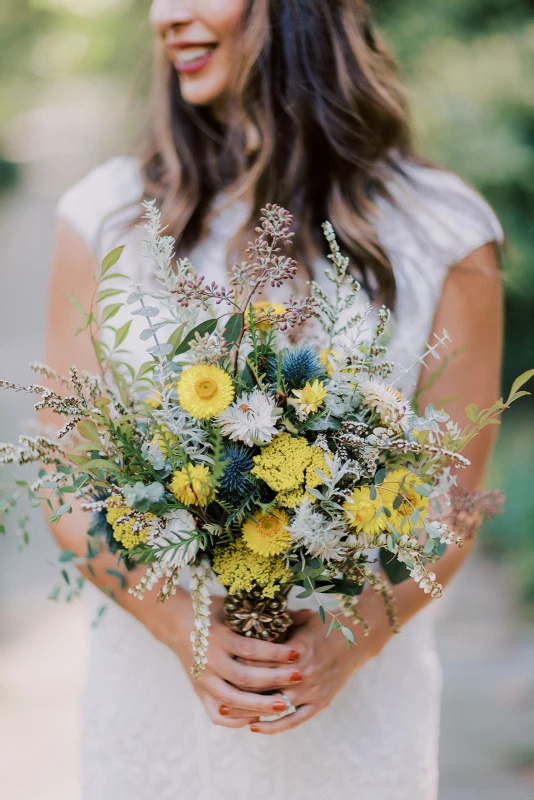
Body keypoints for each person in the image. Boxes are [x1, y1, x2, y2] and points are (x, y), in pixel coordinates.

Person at [43, 1, 504, 798]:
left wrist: (350, 638)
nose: (167, 15)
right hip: (156, 711)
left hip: (354, 721)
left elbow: (453, 499)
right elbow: (61, 473)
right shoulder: (107, 218)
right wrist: (173, 620)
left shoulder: (443, 232)